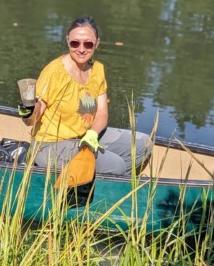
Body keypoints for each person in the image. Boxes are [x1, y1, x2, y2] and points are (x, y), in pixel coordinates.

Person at [20, 16, 150, 176]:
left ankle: (109, 189)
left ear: (97, 43)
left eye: (88, 43)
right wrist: (28, 110)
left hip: (84, 136)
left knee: (142, 144)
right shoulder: (54, 72)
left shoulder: (97, 70)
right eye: (75, 43)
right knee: (116, 166)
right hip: (49, 145)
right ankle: (89, 190)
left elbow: (102, 112)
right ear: (68, 41)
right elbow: (32, 119)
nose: (81, 49)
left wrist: (92, 134)